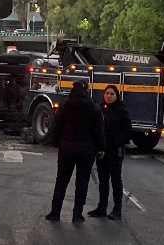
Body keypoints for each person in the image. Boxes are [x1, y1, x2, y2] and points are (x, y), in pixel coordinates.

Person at [46, 80, 105, 223]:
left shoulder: (66, 105)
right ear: (86, 90)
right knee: (82, 182)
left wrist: (55, 142)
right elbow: (98, 130)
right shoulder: (93, 107)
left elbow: (56, 124)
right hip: (86, 150)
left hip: (67, 148)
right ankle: (77, 215)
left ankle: (55, 213)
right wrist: (101, 147)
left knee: (61, 180)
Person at [88, 85, 131, 221]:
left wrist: (117, 142)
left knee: (116, 181)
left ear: (116, 96)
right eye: (107, 93)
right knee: (103, 181)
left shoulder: (122, 110)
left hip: (115, 152)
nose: (109, 96)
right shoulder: (100, 109)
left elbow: (127, 131)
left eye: (112, 94)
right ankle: (102, 208)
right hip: (102, 152)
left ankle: (117, 210)